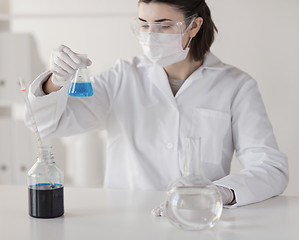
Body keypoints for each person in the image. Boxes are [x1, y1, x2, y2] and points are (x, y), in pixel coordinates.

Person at [25, 0, 288, 207]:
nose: (151, 35)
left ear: (194, 26)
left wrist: (221, 192)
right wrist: (55, 83)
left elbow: (270, 168)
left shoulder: (236, 86)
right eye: (144, 24)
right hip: (125, 221)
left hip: (198, 220)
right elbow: (47, 126)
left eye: (163, 26)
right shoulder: (122, 77)